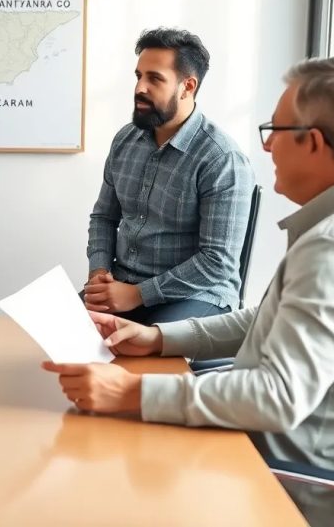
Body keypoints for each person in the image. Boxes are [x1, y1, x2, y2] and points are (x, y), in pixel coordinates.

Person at [45, 57, 334, 526]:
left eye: (275, 130)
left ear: (314, 142)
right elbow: (271, 316)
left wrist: (134, 391)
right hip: (272, 449)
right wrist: (158, 338)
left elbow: (277, 396)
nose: (268, 145)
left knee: (91, 477)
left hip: (280, 484)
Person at [85, 27, 254, 325]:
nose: (140, 88)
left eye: (155, 79)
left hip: (196, 296)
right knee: (57, 332)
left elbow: (217, 262)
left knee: (140, 345)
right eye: (139, 76)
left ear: (187, 86)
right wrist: (99, 273)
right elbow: (103, 218)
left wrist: (138, 294)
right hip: (123, 286)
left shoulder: (222, 159)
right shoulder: (125, 140)